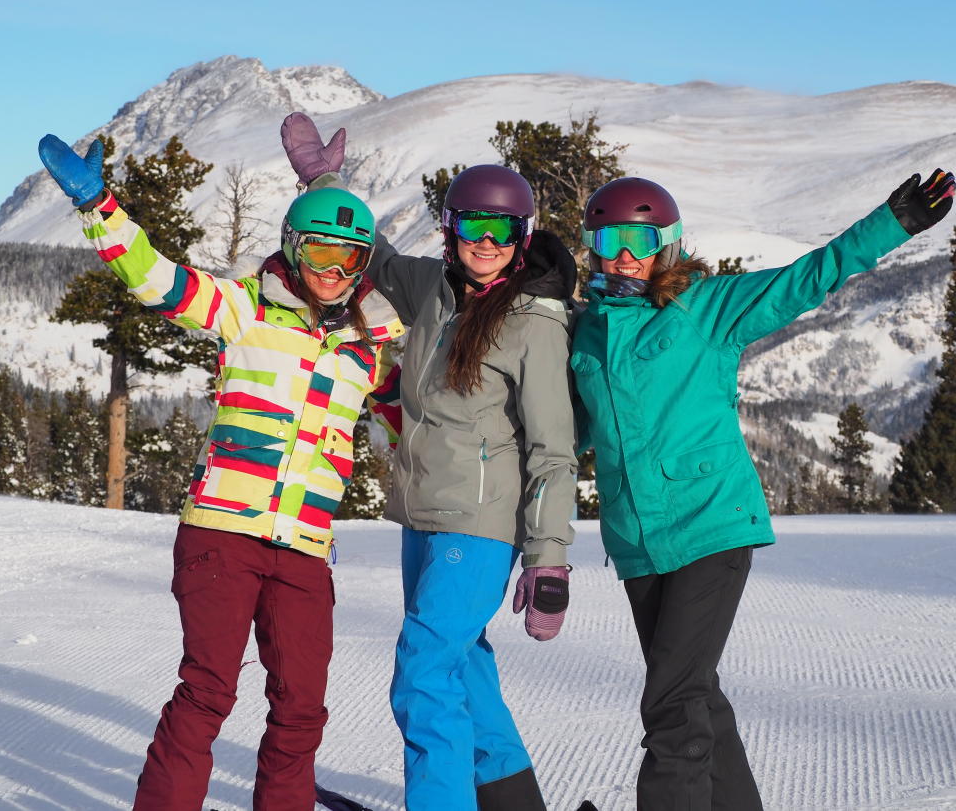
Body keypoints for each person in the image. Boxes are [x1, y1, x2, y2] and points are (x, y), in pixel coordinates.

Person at [37, 133, 404, 811]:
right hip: (222, 534)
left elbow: (422, 420)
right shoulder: (245, 310)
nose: (333, 268)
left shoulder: (369, 350)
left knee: (302, 710)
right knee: (209, 690)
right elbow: (159, 280)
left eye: (349, 255)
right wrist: (99, 204)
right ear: (294, 245)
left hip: (304, 550)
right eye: (321, 249)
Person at [571, 170, 956, 810]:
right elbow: (569, 429)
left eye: (640, 238)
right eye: (610, 239)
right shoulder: (585, 332)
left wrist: (894, 223)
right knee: (693, 696)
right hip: (638, 539)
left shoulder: (707, 308)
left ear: (666, 242)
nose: (626, 255)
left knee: (670, 704)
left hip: (710, 523)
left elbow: (808, 278)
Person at [281, 114, 579, 811]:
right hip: (424, 518)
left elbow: (554, 450)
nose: (483, 243)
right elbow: (373, 254)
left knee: (421, 675)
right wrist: (322, 179)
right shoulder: (433, 291)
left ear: (522, 238)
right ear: (449, 231)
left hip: (479, 526)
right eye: (471, 227)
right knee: (463, 669)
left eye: (499, 231)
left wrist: (549, 556)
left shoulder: (535, 323)